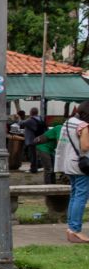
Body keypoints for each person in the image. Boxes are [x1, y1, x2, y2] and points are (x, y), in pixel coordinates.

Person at [55, 100, 89, 244]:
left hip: (69, 164)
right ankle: (75, 230)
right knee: (80, 197)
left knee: (75, 195)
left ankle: (71, 228)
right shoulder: (84, 126)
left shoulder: (68, 123)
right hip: (82, 166)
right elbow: (85, 147)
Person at [21, 108, 47, 173]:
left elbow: (21, 123)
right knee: (36, 154)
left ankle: (33, 169)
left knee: (32, 155)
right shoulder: (40, 119)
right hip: (38, 139)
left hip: (31, 140)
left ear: (31, 112)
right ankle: (38, 166)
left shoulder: (30, 120)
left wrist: (18, 118)